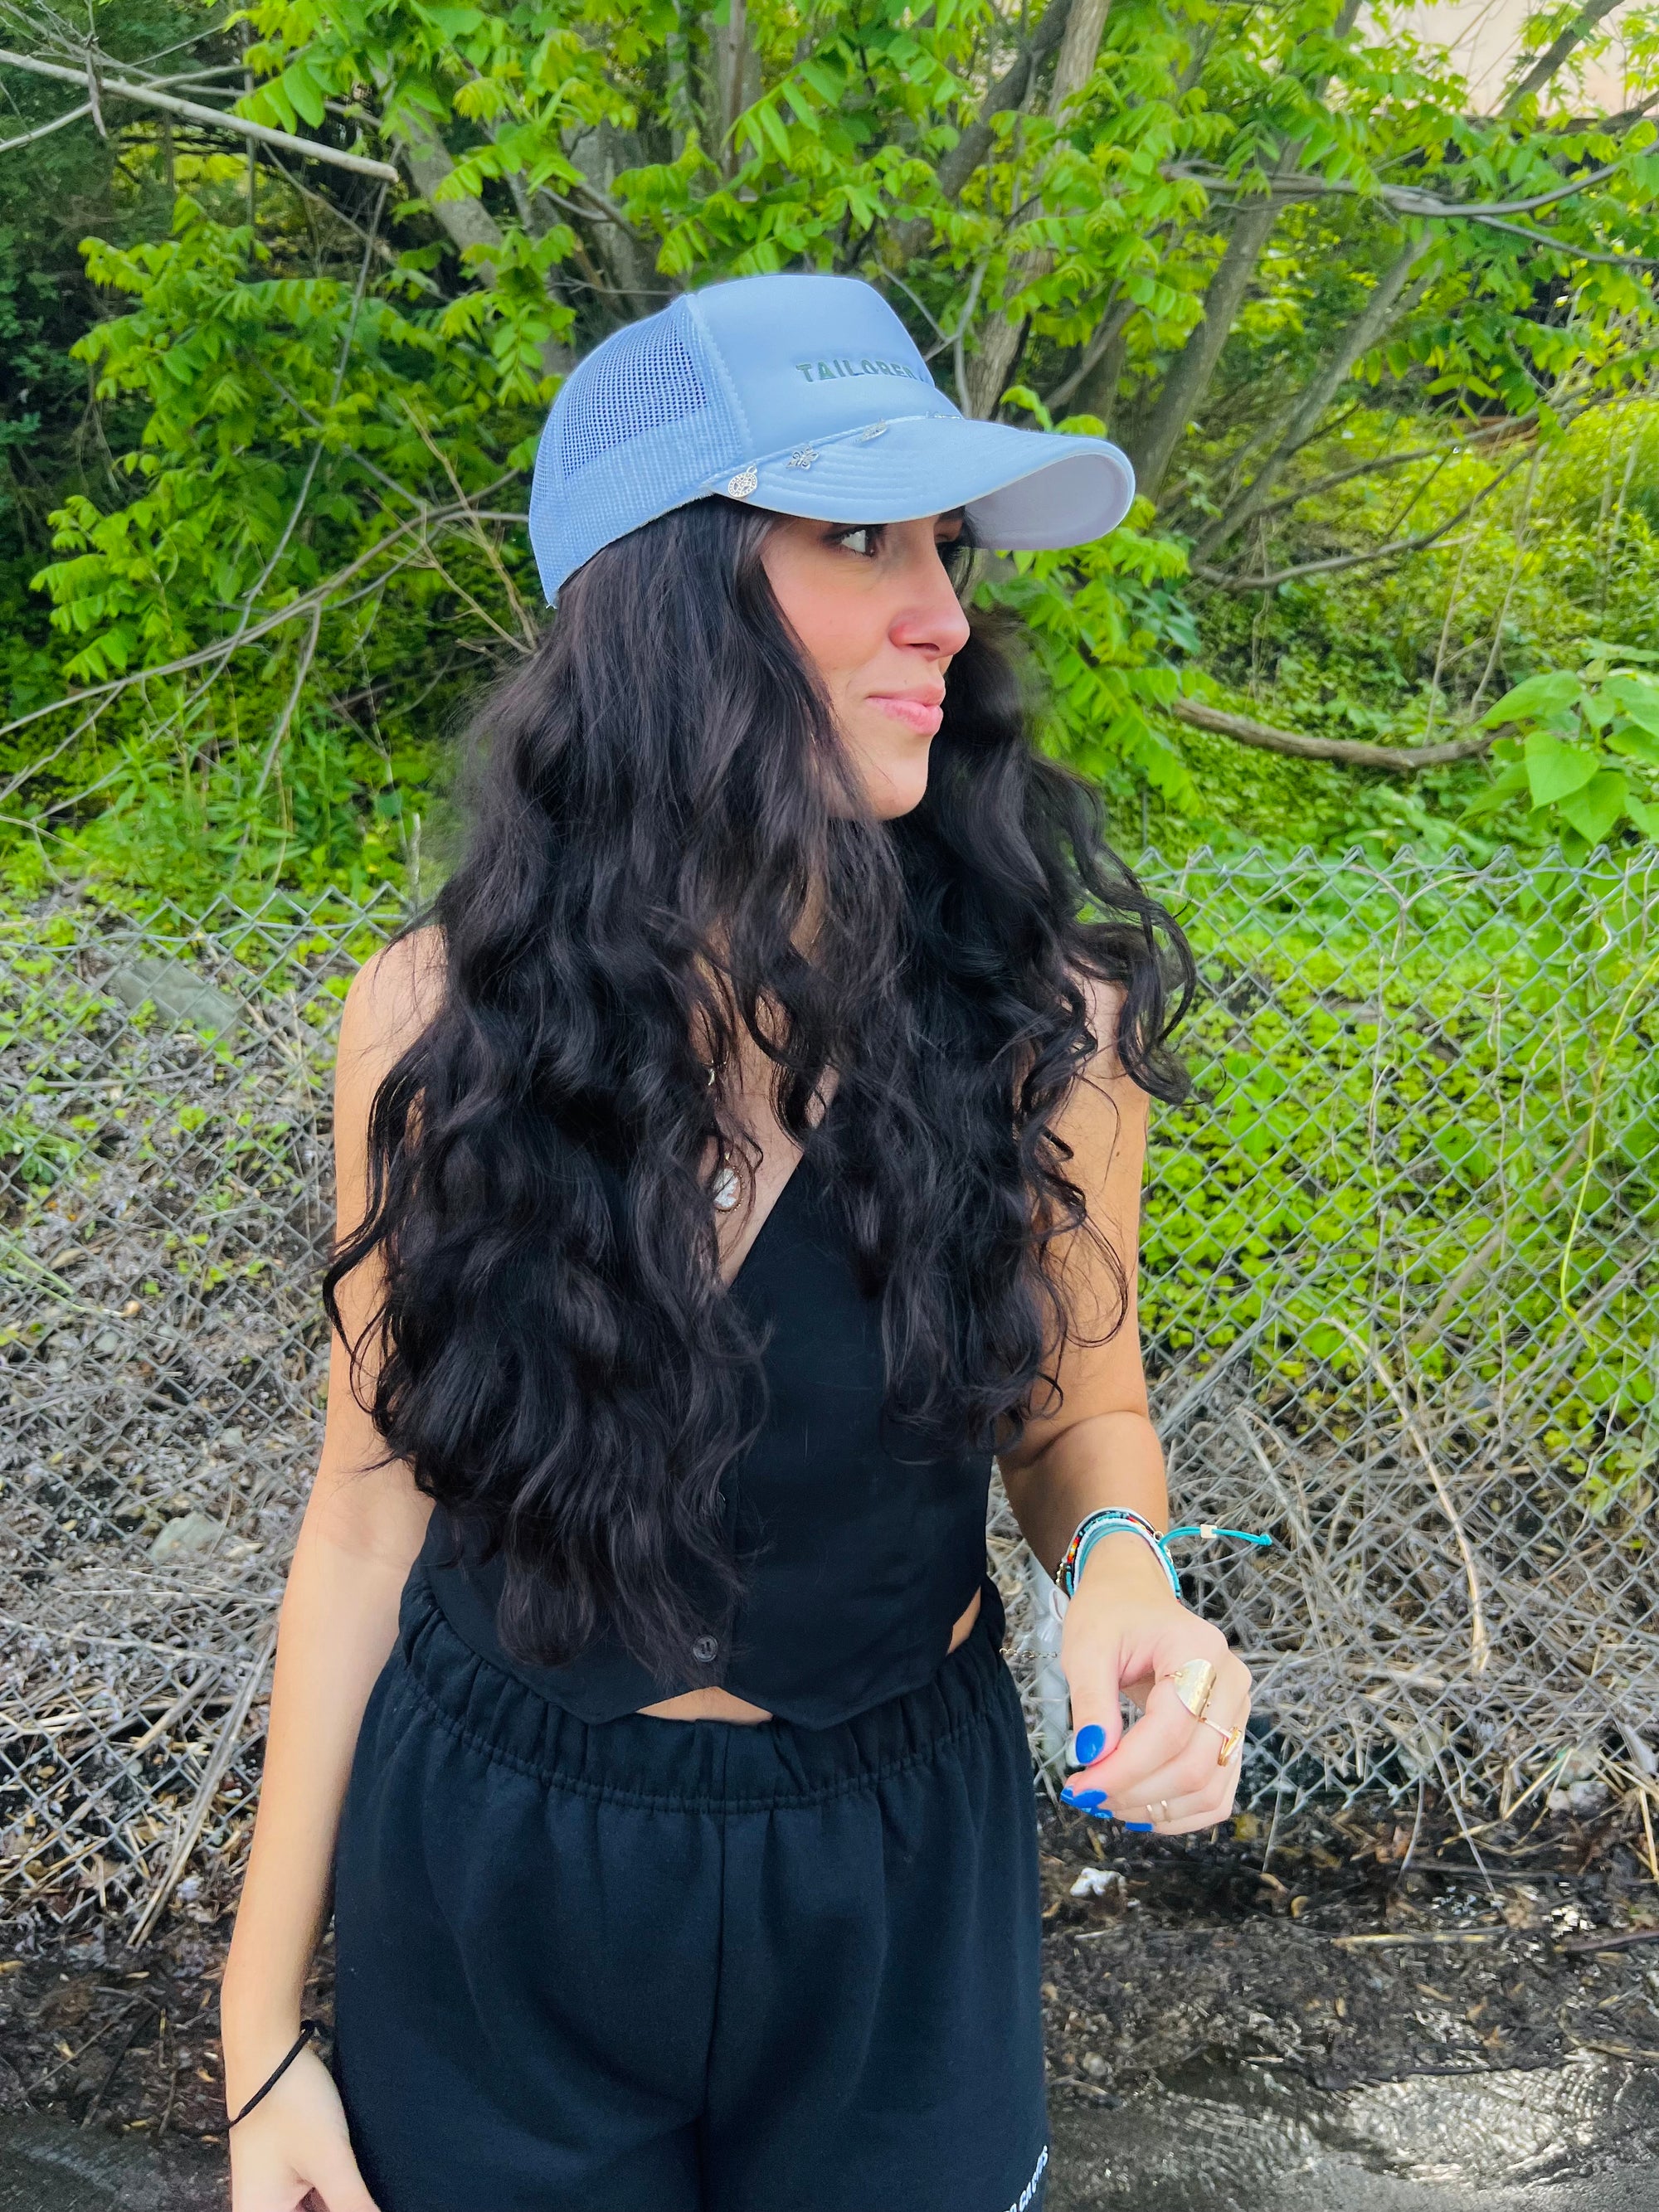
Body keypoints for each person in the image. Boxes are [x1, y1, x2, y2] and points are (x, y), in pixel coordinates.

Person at [219, 271, 1253, 2212]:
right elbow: (363, 1522)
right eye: (858, 536)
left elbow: (1077, 1417)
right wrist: (259, 2036)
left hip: (888, 1876)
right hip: (500, 1876)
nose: (943, 608)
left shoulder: (1050, 1019)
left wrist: (1119, 1575)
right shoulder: (436, 1028)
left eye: (944, 544)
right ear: (660, 597)